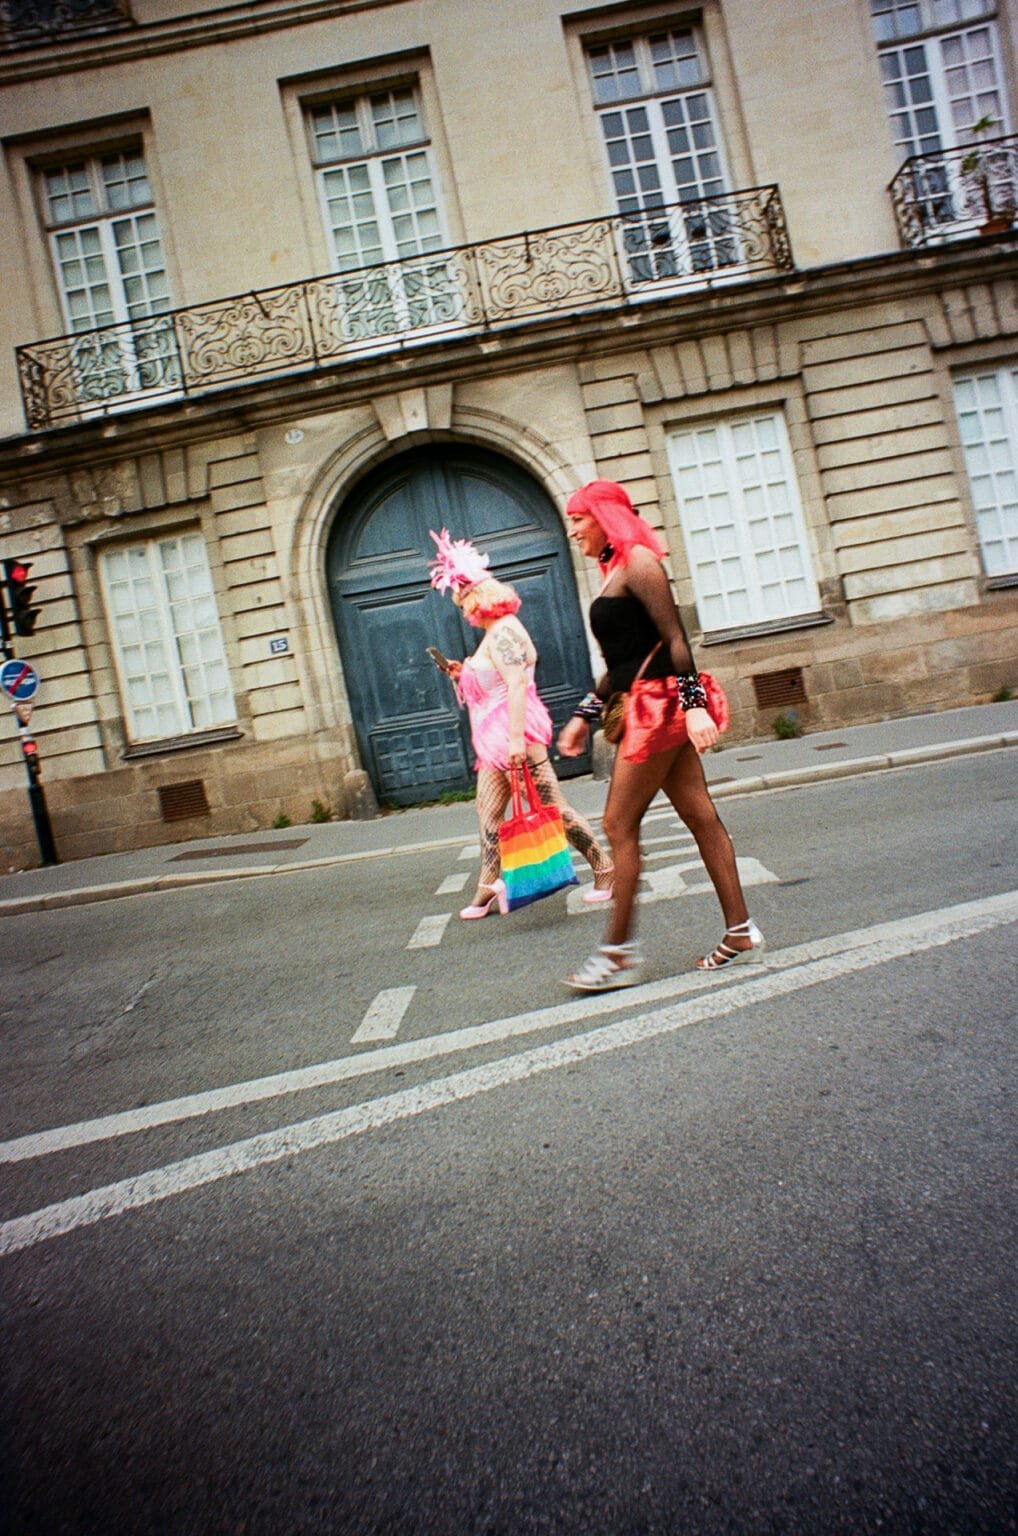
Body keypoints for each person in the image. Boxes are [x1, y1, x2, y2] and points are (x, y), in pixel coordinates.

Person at [556, 480, 764, 990]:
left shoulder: (641, 563)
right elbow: (622, 663)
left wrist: (695, 708)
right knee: (699, 814)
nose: (574, 529)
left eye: (579, 518)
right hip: (647, 702)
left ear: (604, 515)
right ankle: (740, 932)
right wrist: (585, 713)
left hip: (661, 709)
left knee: (618, 823)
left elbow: (675, 638)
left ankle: (617, 955)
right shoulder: (614, 571)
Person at [429, 529, 613, 919]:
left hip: (515, 737)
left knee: (554, 809)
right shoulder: (496, 634)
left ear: (478, 599)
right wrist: (463, 673)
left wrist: (515, 741)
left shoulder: (506, 631)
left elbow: (515, 685)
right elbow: (494, 680)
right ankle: (487, 886)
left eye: (463, 603)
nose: (463, 612)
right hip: (493, 739)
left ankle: (605, 869)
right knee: (488, 814)